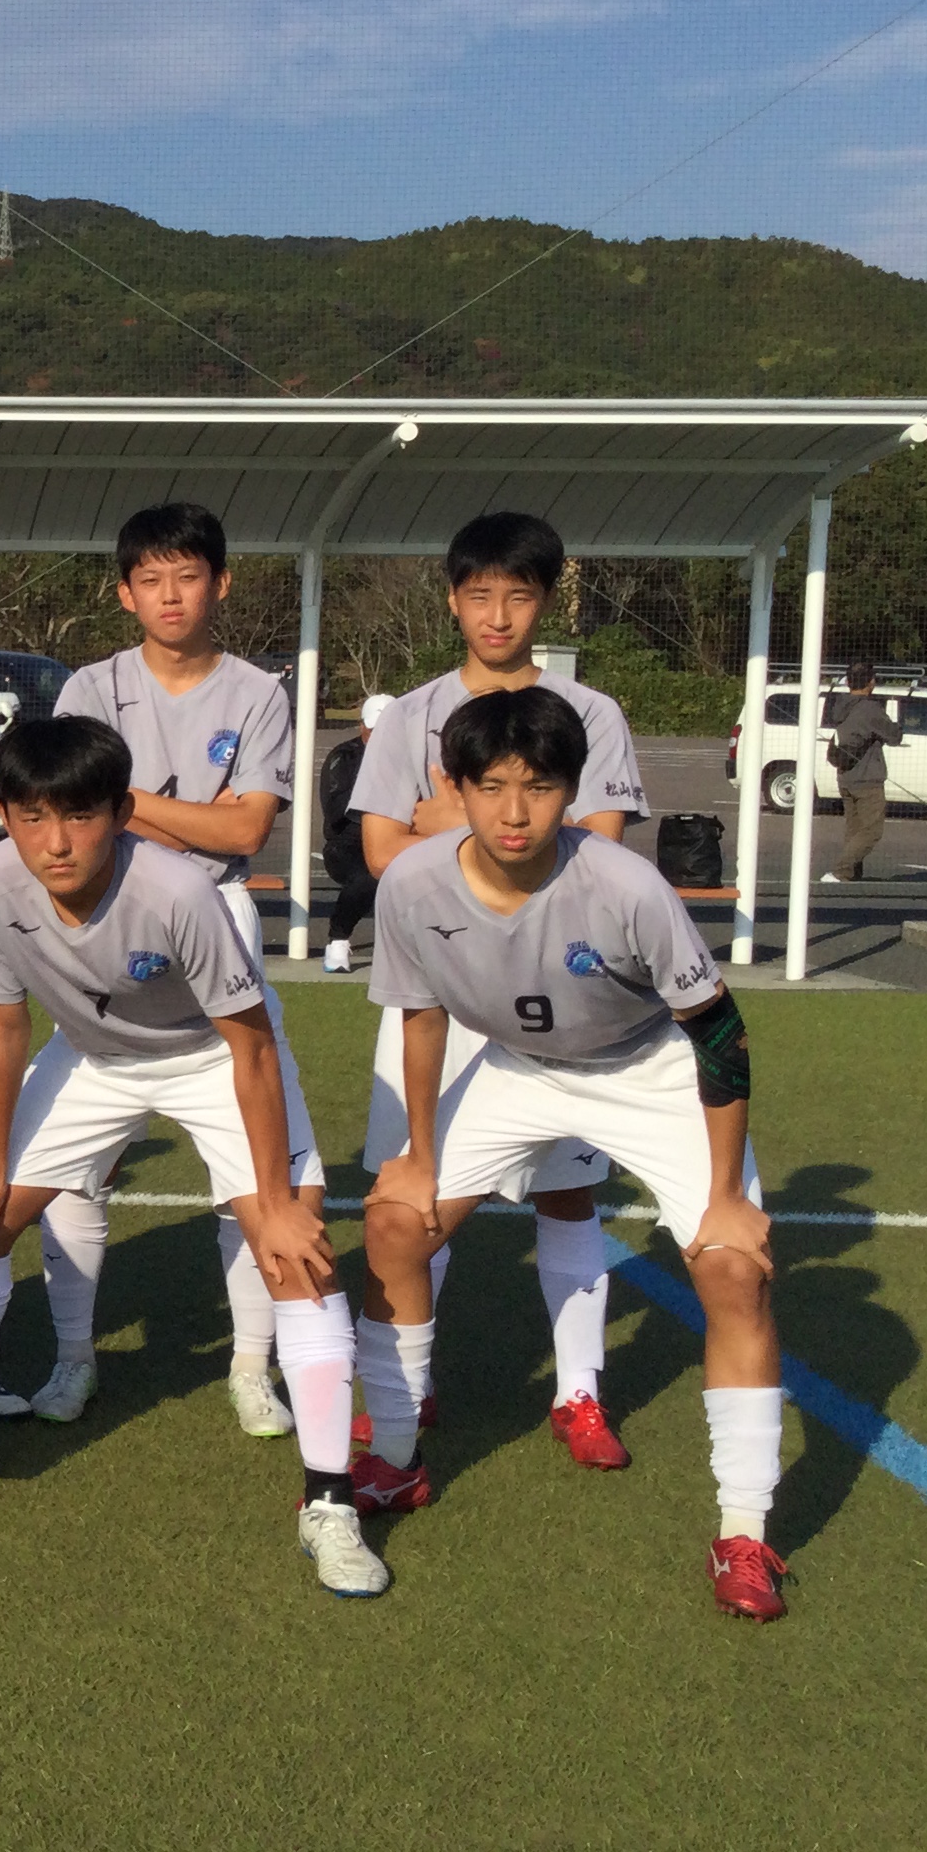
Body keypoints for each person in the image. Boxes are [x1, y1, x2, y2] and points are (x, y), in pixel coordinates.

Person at [360, 688, 787, 1619]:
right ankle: (392, 1459)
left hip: (645, 1067)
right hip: (515, 1066)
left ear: (573, 789)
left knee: (732, 1269)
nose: (515, 813)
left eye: (541, 787)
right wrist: (419, 1153)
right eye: (492, 787)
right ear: (454, 788)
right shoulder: (414, 883)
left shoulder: (627, 887)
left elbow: (721, 1035)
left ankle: (745, 1532)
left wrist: (726, 1194)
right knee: (396, 1222)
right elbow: (422, 1016)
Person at [0, 716, 384, 1597]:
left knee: (296, 1253)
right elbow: (4, 1023)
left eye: (79, 815)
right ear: (4, 816)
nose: (55, 842)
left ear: (120, 811)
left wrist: (276, 1198)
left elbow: (252, 1047)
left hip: (212, 1055)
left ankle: (331, 1501)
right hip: (91, 1058)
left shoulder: (178, 891)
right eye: (31, 817)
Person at [353, 511, 650, 1475]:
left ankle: (579, 1394)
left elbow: (600, 846)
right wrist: (487, 835)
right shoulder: (411, 716)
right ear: (452, 599)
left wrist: (447, 820)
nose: (497, 616)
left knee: (567, 1195)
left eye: (518, 596)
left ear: (546, 601)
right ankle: (409, 1388)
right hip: (438, 982)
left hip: (558, 991)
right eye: (479, 595)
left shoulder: (591, 713)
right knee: (416, 1188)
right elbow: (380, 852)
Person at [36, 503, 323, 1441]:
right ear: (125, 594)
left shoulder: (258, 692)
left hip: (217, 914)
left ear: (220, 583)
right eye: (151, 580)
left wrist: (120, 802)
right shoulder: (90, 685)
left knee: (255, 1170)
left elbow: (246, 829)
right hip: (105, 914)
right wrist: (173, 814)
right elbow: (71, 817)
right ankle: (72, 1358)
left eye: (188, 576)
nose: (170, 596)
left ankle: (250, 1366)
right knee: (68, 1168)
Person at [318, 691, 396, 975]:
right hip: (346, 843)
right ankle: (338, 940)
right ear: (363, 726)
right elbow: (335, 810)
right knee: (368, 877)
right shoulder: (344, 756)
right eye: (375, 729)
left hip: (398, 837)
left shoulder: (412, 757)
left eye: (389, 729)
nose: (381, 737)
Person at [823, 660, 898, 884]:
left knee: (854, 828)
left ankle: (851, 874)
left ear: (847, 682)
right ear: (871, 682)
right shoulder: (870, 709)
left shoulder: (840, 706)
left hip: (845, 775)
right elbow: (894, 736)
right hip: (868, 777)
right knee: (872, 830)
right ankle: (840, 871)